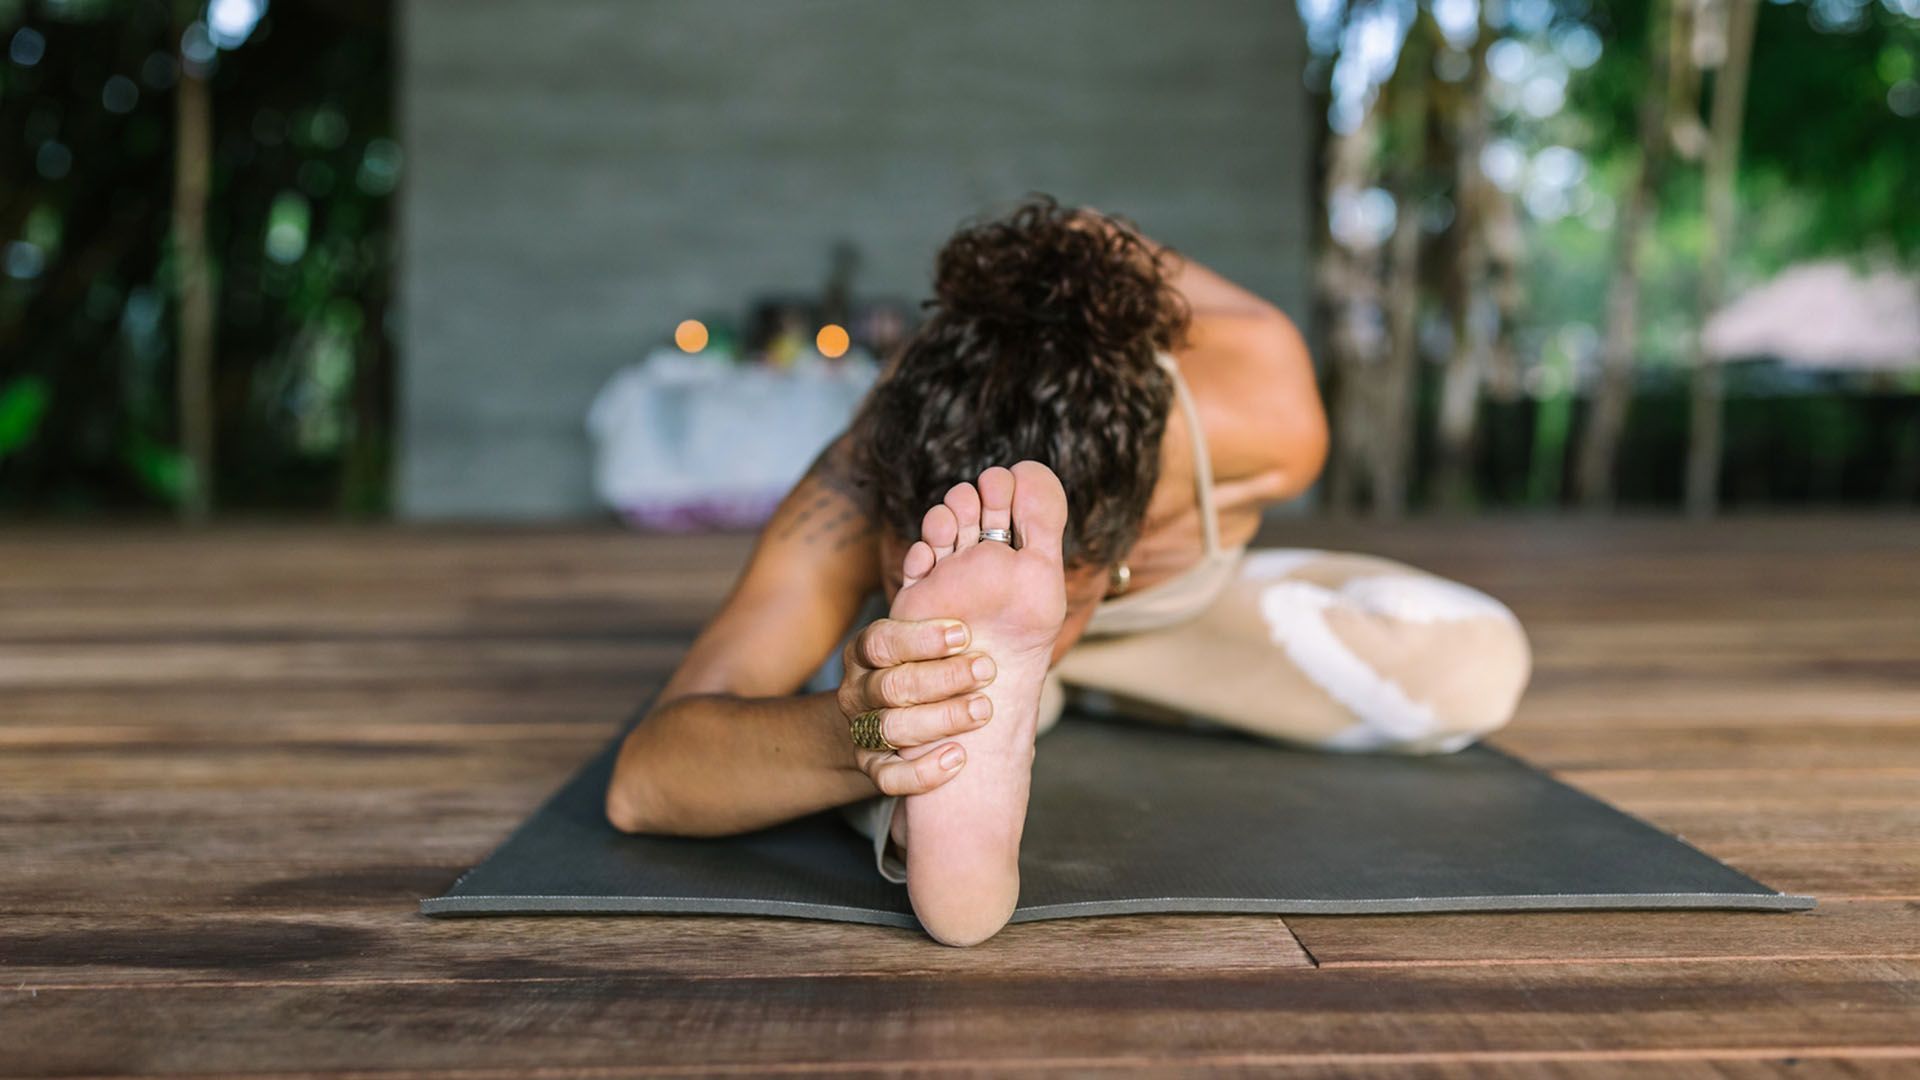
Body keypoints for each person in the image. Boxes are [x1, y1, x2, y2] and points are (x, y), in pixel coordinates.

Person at [603, 196, 1531, 946]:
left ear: (1123, 542)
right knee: (911, 674)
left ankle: (1018, 694)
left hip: (1164, 620)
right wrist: (855, 731)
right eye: (913, 543)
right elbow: (646, 780)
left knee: (1472, 660)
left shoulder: (1265, 403)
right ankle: (947, 711)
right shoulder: (859, 472)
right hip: (935, 673)